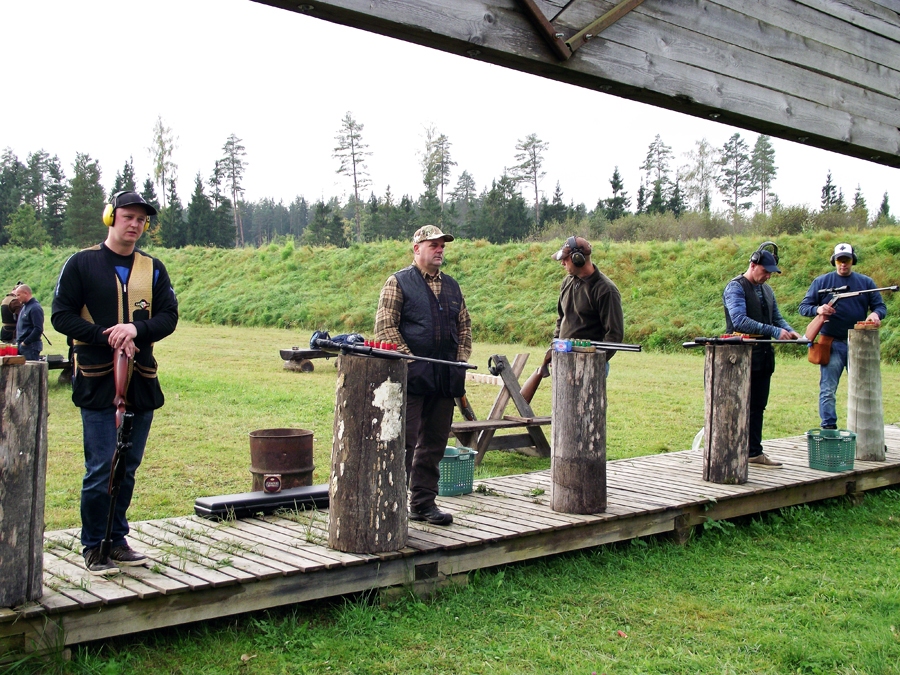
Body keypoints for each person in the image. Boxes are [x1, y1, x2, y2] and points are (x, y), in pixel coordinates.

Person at [51, 190, 178, 575]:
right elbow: (61, 316)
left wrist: (134, 329)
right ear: (111, 217)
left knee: (128, 465)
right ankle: (94, 545)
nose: (135, 225)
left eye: (141, 219)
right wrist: (107, 335)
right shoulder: (82, 264)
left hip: (140, 381)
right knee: (102, 466)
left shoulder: (152, 268)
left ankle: (116, 539)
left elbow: (169, 318)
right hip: (97, 380)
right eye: (128, 217)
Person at [374, 225, 471, 526]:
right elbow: (385, 328)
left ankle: (423, 504)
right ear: (417, 249)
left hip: (445, 379)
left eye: (442, 245)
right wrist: (412, 361)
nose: (440, 249)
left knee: (435, 444)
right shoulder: (398, 283)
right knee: (401, 443)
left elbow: (465, 328)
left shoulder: (453, 287)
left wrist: (459, 361)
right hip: (411, 378)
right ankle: (388, 505)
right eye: (433, 245)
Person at [723, 244, 800, 468]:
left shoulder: (767, 291)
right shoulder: (735, 287)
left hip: (763, 357)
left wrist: (790, 331)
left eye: (770, 273)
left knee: (758, 406)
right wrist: (776, 332)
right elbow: (739, 320)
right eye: (765, 271)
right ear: (753, 264)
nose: (768, 276)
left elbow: (776, 317)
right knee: (737, 406)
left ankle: (754, 451)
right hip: (740, 357)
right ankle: (730, 449)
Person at [798, 243, 887, 430]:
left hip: (859, 343)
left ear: (852, 261)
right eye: (840, 260)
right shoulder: (821, 282)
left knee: (865, 390)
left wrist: (875, 315)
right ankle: (829, 429)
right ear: (834, 261)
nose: (843, 264)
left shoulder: (866, 283)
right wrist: (819, 309)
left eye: (847, 260)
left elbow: (880, 306)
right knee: (828, 391)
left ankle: (866, 431)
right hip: (831, 343)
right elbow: (804, 307)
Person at [552, 236, 624, 362]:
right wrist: (554, 349)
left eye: (566, 259)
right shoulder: (567, 282)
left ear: (577, 259)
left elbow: (614, 334)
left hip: (589, 365)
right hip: (563, 359)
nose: (562, 263)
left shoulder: (606, 290)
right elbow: (561, 318)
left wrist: (596, 362)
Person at [14, 284, 44, 361]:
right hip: (22, 345)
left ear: (26, 293)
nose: (17, 298)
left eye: (18, 295)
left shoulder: (35, 308)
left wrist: (25, 342)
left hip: (30, 346)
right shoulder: (25, 307)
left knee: (31, 372)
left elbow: (38, 329)